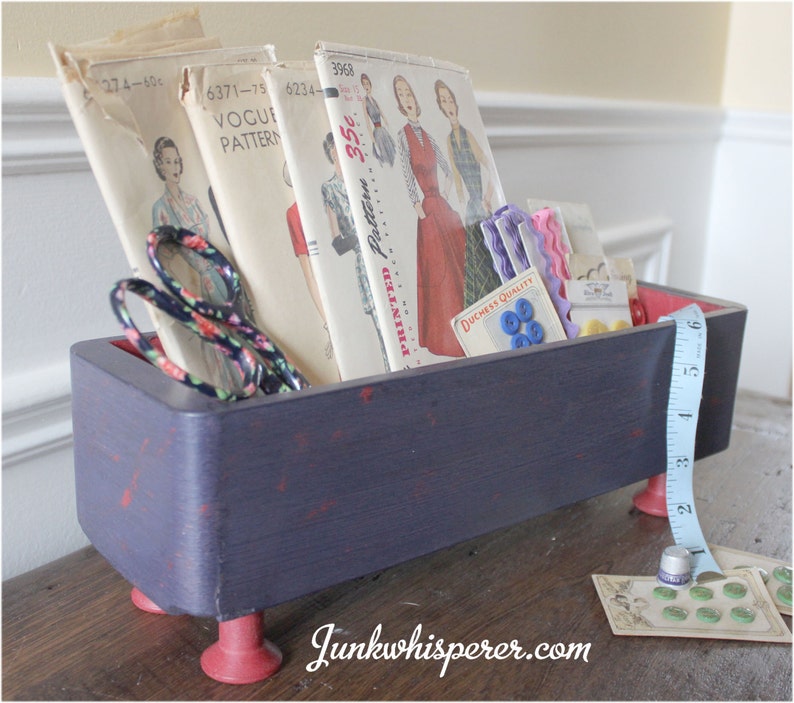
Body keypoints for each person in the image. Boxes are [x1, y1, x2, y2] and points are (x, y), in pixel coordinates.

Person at [393, 75, 466, 358]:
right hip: (427, 213)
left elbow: (447, 168)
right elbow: (406, 176)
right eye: (401, 95)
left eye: (408, 93)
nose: (407, 99)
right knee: (438, 275)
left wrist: (444, 195)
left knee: (457, 269)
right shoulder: (403, 136)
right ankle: (445, 337)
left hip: (441, 208)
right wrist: (419, 210)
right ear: (399, 103)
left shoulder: (429, 135)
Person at [321, 133, 389, 371]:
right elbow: (337, 243)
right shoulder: (330, 189)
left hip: (386, 255)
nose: (339, 156)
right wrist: (362, 234)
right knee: (383, 329)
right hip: (365, 263)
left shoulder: (363, 176)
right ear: (331, 155)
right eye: (334, 153)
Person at [434, 80, 502, 306]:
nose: (449, 105)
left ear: (456, 104)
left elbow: (490, 167)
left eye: (450, 100)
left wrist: (487, 198)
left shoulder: (468, 135)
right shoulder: (449, 140)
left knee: (489, 258)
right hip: (469, 210)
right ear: (442, 108)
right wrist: (456, 201)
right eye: (444, 101)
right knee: (473, 261)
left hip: (481, 208)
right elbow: (455, 175)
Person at [361, 73, 396, 167]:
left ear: (370, 84)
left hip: (383, 132)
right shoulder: (364, 101)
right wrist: (374, 142)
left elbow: (383, 116)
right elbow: (368, 124)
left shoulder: (375, 101)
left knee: (391, 156)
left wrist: (389, 128)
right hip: (377, 134)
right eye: (364, 84)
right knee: (384, 158)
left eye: (367, 83)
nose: (366, 86)